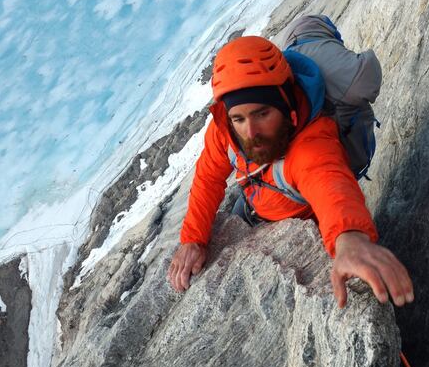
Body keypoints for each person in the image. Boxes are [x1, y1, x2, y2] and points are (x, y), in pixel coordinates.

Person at [167, 35, 413, 308]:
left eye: (262, 114)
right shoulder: (225, 130)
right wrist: (193, 239)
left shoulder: (310, 145)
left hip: (305, 224)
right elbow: (208, 177)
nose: (251, 133)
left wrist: (349, 239)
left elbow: (329, 183)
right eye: (240, 119)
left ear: (289, 113)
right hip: (252, 204)